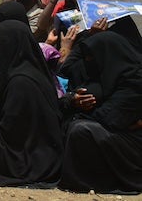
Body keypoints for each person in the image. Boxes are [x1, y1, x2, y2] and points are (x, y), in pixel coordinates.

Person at [59, 31, 142, 194]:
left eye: (91, 56)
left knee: (81, 129)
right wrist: (73, 101)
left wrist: (80, 108)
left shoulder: (135, 79)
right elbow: (68, 71)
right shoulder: (104, 73)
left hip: (133, 142)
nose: (89, 61)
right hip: (117, 131)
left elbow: (111, 118)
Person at [0, 20, 63, 186]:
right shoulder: (29, 73)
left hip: (28, 159)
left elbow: (10, 131)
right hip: (38, 153)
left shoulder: (21, 82)